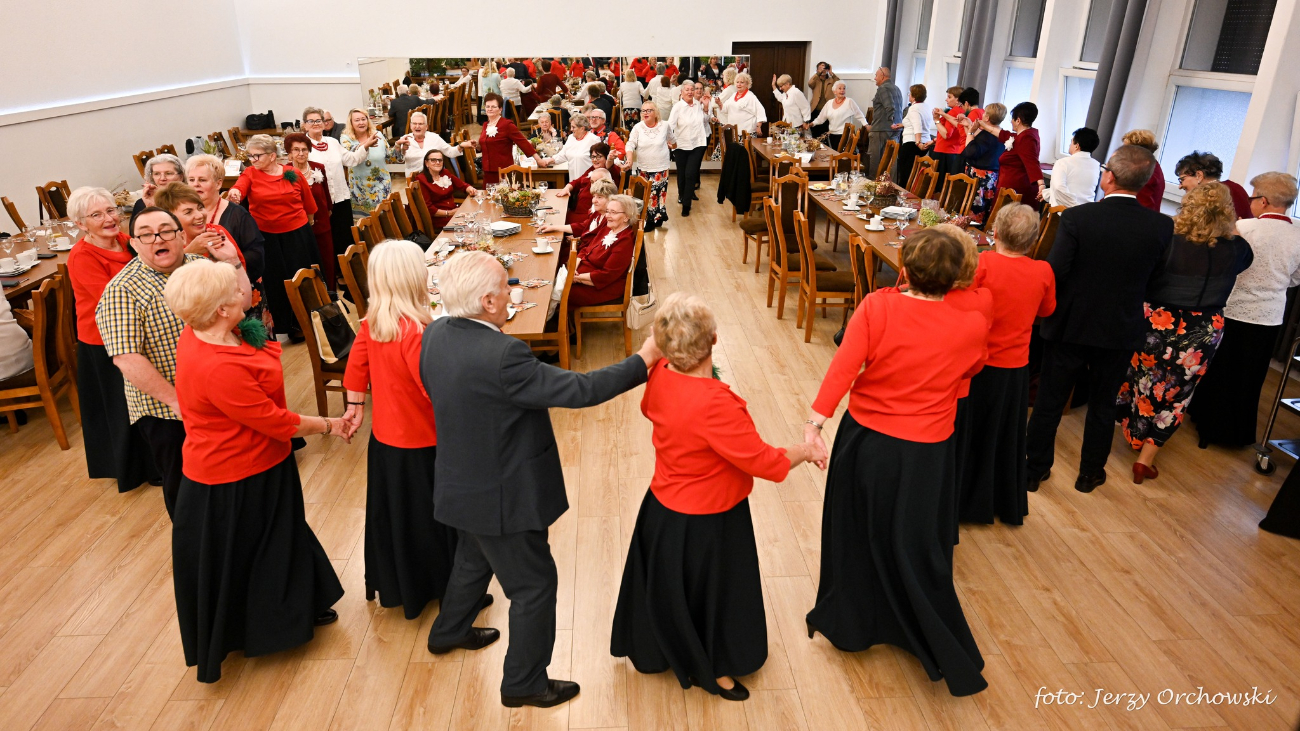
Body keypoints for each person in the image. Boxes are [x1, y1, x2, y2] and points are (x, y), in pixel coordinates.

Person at [420, 250, 663, 708]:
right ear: (489, 303)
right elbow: (581, 390)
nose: (514, 291)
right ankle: (523, 683)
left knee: (473, 559)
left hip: (458, 482)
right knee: (534, 586)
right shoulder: (503, 354)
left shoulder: (434, 334)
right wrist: (643, 360)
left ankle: (448, 631)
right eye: (507, 286)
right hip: (502, 496)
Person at [803, 228, 990, 697]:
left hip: (867, 440)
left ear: (905, 269)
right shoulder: (971, 323)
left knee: (856, 531)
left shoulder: (878, 306)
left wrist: (815, 424)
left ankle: (853, 621)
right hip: (928, 449)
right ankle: (924, 632)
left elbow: (844, 366)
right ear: (956, 278)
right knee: (915, 541)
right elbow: (969, 373)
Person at [612, 293, 822, 701]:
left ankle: (664, 648)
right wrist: (807, 449)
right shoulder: (715, 403)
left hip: (661, 507)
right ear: (713, 340)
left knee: (672, 588)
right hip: (709, 517)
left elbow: (649, 411)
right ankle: (715, 665)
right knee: (716, 594)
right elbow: (765, 463)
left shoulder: (661, 377)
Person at [165, 258, 345, 684]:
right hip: (236, 473)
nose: (243, 293)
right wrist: (329, 425)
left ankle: (299, 603)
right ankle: (270, 625)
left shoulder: (209, 333)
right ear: (221, 311)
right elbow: (275, 421)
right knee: (259, 551)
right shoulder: (217, 366)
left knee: (280, 536)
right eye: (233, 292)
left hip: (257, 461)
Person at [1025, 145, 1173, 494]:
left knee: (1049, 400)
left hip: (1071, 324)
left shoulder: (1078, 218)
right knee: (1104, 404)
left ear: (1108, 177)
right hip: (1120, 328)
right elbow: (1157, 280)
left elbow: (1056, 271)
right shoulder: (1161, 226)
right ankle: (1090, 473)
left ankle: (1033, 470)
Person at [336, 240, 463, 618]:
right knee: (431, 520)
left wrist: (356, 407)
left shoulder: (374, 321)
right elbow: (433, 390)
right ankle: (445, 588)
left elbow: (355, 367)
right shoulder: (416, 332)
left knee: (397, 517)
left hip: (387, 438)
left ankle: (401, 584)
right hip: (423, 440)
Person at [97, 207, 235, 516]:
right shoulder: (122, 290)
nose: (157, 238)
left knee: (228, 483)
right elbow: (126, 357)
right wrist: (177, 402)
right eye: (146, 234)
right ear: (134, 244)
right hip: (168, 413)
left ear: (182, 236)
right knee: (188, 492)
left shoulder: (200, 266)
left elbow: (235, 311)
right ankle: (195, 555)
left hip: (219, 396)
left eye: (166, 230)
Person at [1116, 182, 1252, 482]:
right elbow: (1244, 257)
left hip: (1157, 320)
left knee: (1142, 378)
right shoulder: (1237, 248)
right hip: (1204, 329)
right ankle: (1145, 458)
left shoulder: (1168, 240)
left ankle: (1133, 431)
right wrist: (1228, 227)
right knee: (1180, 394)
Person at [960, 204, 1055, 524]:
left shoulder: (982, 262)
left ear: (995, 233)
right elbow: (1046, 311)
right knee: (1005, 437)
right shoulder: (1043, 270)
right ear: (1034, 238)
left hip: (978, 363)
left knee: (971, 434)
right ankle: (1001, 501)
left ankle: (964, 501)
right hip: (1015, 368)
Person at [1190, 172, 1300, 448]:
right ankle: (1239, 434)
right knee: (1251, 376)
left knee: (1220, 371)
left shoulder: (1244, 228)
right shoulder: (1298, 236)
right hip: (1270, 315)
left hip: (1234, 309)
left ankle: (1208, 427)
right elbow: (1297, 278)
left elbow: (1223, 264)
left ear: (1263, 201)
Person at [65, 187, 157, 492]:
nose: (109, 219)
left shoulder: (123, 239)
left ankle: (158, 459)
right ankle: (138, 468)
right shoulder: (81, 257)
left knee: (146, 398)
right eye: (96, 215)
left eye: (110, 211)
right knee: (122, 406)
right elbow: (112, 299)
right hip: (104, 341)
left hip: (139, 329)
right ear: (81, 224)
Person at [226, 134, 319, 339]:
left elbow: (309, 204)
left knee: (300, 278)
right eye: (250, 156)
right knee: (276, 281)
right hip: (267, 237)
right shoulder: (250, 173)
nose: (253, 160)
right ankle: (285, 324)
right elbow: (239, 187)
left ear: (272, 155)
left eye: (257, 156)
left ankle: (307, 321)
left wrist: (308, 223)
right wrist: (234, 193)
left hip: (297, 234)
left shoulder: (292, 173)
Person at [302, 107, 371, 258]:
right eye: (311, 121)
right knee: (326, 240)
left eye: (319, 120)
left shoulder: (332, 142)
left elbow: (351, 160)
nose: (316, 124)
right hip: (320, 202)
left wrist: (365, 146)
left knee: (344, 237)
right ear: (304, 125)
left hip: (341, 197)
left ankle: (347, 272)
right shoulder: (303, 147)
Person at [569, 195, 640, 307]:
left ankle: (559, 321)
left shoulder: (624, 241)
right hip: (584, 273)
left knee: (566, 292)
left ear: (626, 217)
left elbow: (607, 275)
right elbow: (586, 249)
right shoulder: (608, 228)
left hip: (605, 286)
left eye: (613, 212)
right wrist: (573, 267)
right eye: (607, 211)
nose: (607, 216)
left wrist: (575, 278)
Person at [284, 133, 336, 288]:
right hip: (297, 227)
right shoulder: (285, 173)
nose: (301, 153)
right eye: (296, 150)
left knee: (327, 260)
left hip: (322, 224)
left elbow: (326, 194)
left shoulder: (318, 168)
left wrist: (328, 211)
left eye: (304, 149)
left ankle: (330, 292)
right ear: (290, 153)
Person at [463, 93, 541, 184]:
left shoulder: (507, 124)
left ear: (500, 109)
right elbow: (485, 146)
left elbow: (523, 142)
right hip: (487, 171)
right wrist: (477, 145)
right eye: (487, 106)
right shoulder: (485, 125)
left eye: (493, 106)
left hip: (504, 171)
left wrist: (538, 160)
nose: (490, 109)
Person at [626, 103, 676, 231]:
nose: (645, 113)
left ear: (656, 112)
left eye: (649, 110)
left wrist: (672, 146)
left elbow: (673, 140)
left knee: (657, 193)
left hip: (661, 166)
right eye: (643, 111)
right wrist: (630, 159)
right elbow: (630, 144)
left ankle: (653, 219)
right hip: (644, 166)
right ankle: (655, 216)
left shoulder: (664, 125)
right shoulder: (638, 127)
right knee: (647, 193)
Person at [959, 105, 1008, 226]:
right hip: (989, 177)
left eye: (985, 113)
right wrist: (969, 127)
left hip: (980, 178)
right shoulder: (999, 134)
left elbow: (970, 151)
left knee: (975, 212)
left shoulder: (988, 136)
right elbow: (972, 143)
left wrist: (970, 131)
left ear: (987, 117)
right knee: (981, 207)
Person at [668, 82, 710, 217]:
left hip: (698, 143)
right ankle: (682, 195)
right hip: (681, 144)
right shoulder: (677, 107)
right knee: (682, 173)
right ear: (682, 91)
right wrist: (669, 141)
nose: (690, 92)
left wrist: (706, 107)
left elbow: (706, 120)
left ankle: (687, 204)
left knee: (690, 173)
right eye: (687, 90)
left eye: (692, 89)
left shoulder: (698, 104)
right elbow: (670, 126)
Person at [341, 109, 392, 214]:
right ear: (351, 123)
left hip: (381, 185)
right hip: (359, 189)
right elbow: (350, 155)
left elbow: (389, 157)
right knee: (364, 224)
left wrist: (399, 147)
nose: (361, 122)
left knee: (383, 219)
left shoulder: (378, 135)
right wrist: (366, 145)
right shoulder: (345, 138)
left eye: (363, 119)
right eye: (357, 120)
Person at [1175, 151, 1254, 219]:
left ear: (1199, 175)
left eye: (1182, 180)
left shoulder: (1207, 198)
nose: (1180, 186)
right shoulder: (1237, 188)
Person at [995, 102, 1044, 211]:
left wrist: (1041, 184)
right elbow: (1001, 134)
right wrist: (980, 124)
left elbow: (1032, 162)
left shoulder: (1027, 138)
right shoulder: (1022, 135)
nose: (1011, 122)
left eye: (1012, 119)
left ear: (1018, 120)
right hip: (1010, 186)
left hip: (1016, 188)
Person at [553, 141, 614, 226]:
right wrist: (566, 188)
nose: (595, 160)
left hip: (587, 215)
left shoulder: (607, 172)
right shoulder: (592, 169)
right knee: (555, 214)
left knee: (555, 219)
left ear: (606, 158)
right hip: (577, 210)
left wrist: (610, 160)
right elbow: (577, 182)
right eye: (593, 157)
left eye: (599, 157)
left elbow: (610, 166)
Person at [415, 149, 476, 231]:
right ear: (426, 163)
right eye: (433, 160)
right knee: (473, 227)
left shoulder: (445, 173)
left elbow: (462, 185)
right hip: (440, 219)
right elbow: (429, 208)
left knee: (477, 217)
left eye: (440, 160)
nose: (437, 162)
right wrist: (450, 213)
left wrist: (470, 189)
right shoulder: (421, 180)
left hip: (454, 212)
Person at [1041, 128, 1101, 208]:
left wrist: (1076, 208)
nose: (1070, 145)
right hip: (1087, 211)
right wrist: (1046, 194)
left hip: (1064, 213)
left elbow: (1058, 188)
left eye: (1071, 142)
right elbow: (1074, 188)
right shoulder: (1096, 165)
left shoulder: (1062, 163)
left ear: (1077, 146)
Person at [396, 111, 464, 181]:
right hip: (415, 180)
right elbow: (399, 160)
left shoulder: (434, 137)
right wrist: (401, 149)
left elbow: (450, 152)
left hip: (435, 177)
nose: (417, 126)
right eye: (414, 123)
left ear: (426, 127)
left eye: (420, 124)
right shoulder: (405, 139)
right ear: (410, 126)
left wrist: (461, 146)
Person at [894, 84, 935, 187]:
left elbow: (918, 125)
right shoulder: (925, 106)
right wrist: (904, 124)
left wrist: (918, 142)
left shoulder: (913, 108)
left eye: (909, 93)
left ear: (913, 96)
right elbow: (918, 122)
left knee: (905, 174)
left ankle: (903, 197)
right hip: (925, 141)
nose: (909, 96)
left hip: (912, 144)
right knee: (913, 174)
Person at [810, 81, 868, 153]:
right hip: (832, 135)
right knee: (832, 156)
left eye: (844, 88)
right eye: (840, 88)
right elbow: (820, 118)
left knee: (842, 158)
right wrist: (811, 124)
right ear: (834, 91)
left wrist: (866, 125)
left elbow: (859, 115)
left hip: (845, 136)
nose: (842, 90)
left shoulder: (849, 101)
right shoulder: (829, 103)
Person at [868, 67, 904, 177]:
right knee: (891, 162)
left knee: (876, 161)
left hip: (881, 130)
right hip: (895, 130)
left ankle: (873, 188)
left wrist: (891, 121)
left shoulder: (883, 88)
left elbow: (890, 107)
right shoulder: (896, 88)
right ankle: (890, 188)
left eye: (876, 75)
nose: (875, 78)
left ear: (882, 76)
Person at [540, 115, 599, 180]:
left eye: (573, 127)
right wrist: (548, 160)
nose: (571, 129)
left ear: (582, 128)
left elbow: (599, 162)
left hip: (589, 180)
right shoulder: (571, 138)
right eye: (571, 127)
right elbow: (563, 155)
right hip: (573, 179)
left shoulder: (594, 140)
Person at [1122, 129, 1165, 212]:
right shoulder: (1152, 164)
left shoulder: (1146, 170)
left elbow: (1140, 203)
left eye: (1126, 149)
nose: (1122, 152)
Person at [931, 87, 969, 179]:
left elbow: (946, 134)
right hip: (953, 150)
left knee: (938, 183)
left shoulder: (954, 112)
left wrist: (936, 120)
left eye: (949, 97)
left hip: (944, 151)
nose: (946, 99)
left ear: (957, 100)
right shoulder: (961, 111)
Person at [132, 154, 186, 218]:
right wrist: (151, 207)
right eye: (157, 174)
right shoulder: (142, 203)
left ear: (181, 177)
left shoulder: (190, 201)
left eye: (168, 173)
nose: (162, 178)